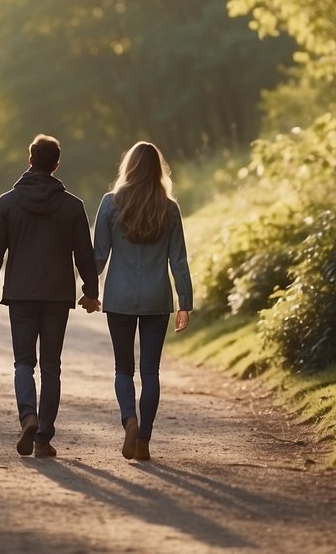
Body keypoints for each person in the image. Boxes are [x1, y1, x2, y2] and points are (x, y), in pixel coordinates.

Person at [0, 134, 100, 458]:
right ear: (56, 164)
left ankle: (27, 415)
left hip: (20, 294)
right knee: (51, 366)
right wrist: (91, 292)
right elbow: (84, 254)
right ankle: (44, 438)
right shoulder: (73, 206)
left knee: (23, 362)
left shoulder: (7, 202)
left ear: (30, 160)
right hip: (57, 295)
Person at [93, 141, 193, 461]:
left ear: (129, 167)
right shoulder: (170, 207)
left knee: (124, 369)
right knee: (150, 373)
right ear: (157, 170)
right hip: (156, 298)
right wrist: (185, 303)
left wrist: (87, 290)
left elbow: (98, 256)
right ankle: (145, 441)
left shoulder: (110, 203)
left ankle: (129, 420)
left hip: (119, 297)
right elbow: (179, 260)